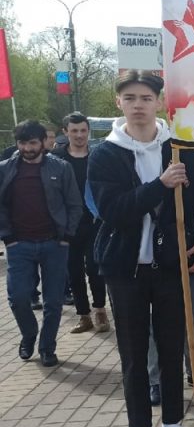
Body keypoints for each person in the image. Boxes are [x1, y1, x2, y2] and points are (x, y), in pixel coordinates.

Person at [88, 71, 194, 427]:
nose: (138, 105)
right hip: (125, 269)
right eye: (130, 98)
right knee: (134, 354)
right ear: (118, 102)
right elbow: (113, 210)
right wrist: (160, 184)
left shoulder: (180, 148)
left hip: (170, 267)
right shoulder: (106, 154)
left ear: (158, 102)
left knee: (173, 349)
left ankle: (173, 426)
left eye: (145, 98)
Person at [1, 119, 82, 367]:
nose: (27, 148)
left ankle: (47, 347)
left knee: (54, 301)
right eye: (22, 143)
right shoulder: (5, 169)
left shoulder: (61, 168)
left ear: (43, 142)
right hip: (19, 245)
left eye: (33, 143)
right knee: (18, 297)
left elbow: (74, 204)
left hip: (54, 244)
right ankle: (29, 334)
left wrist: (66, 237)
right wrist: (7, 237)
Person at [51, 112, 109, 334]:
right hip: (68, 224)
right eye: (74, 131)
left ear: (88, 132)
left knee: (95, 267)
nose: (79, 135)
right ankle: (83, 315)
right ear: (65, 132)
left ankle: (100, 310)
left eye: (83, 130)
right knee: (73, 270)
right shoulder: (55, 159)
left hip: (95, 221)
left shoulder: (98, 156)